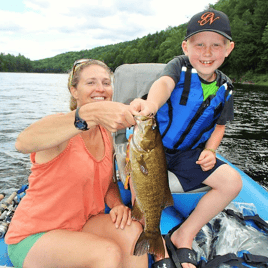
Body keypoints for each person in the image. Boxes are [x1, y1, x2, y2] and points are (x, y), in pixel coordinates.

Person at [5, 59, 148, 268]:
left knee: (133, 232)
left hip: (82, 224)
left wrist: (117, 205)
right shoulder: (61, 128)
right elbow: (22, 142)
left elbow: (108, 183)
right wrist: (89, 114)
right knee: (107, 254)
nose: (100, 88)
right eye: (90, 83)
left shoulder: (106, 133)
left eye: (106, 83)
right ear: (74, 90)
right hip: (36, 233)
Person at [130, 9, 242, 268]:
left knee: (232, 182)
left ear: (229, 49)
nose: (207, 52)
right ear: (185, 46)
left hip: (187, 153)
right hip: (152, 145)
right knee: (140, 187)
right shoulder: (178, 66)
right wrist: (151, 106)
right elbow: (164, 85)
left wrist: (211, 151)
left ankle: (185, 234)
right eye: (199, 44)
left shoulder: (225, 89)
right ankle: (156, 242)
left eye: (216, 45)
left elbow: (219, 127)